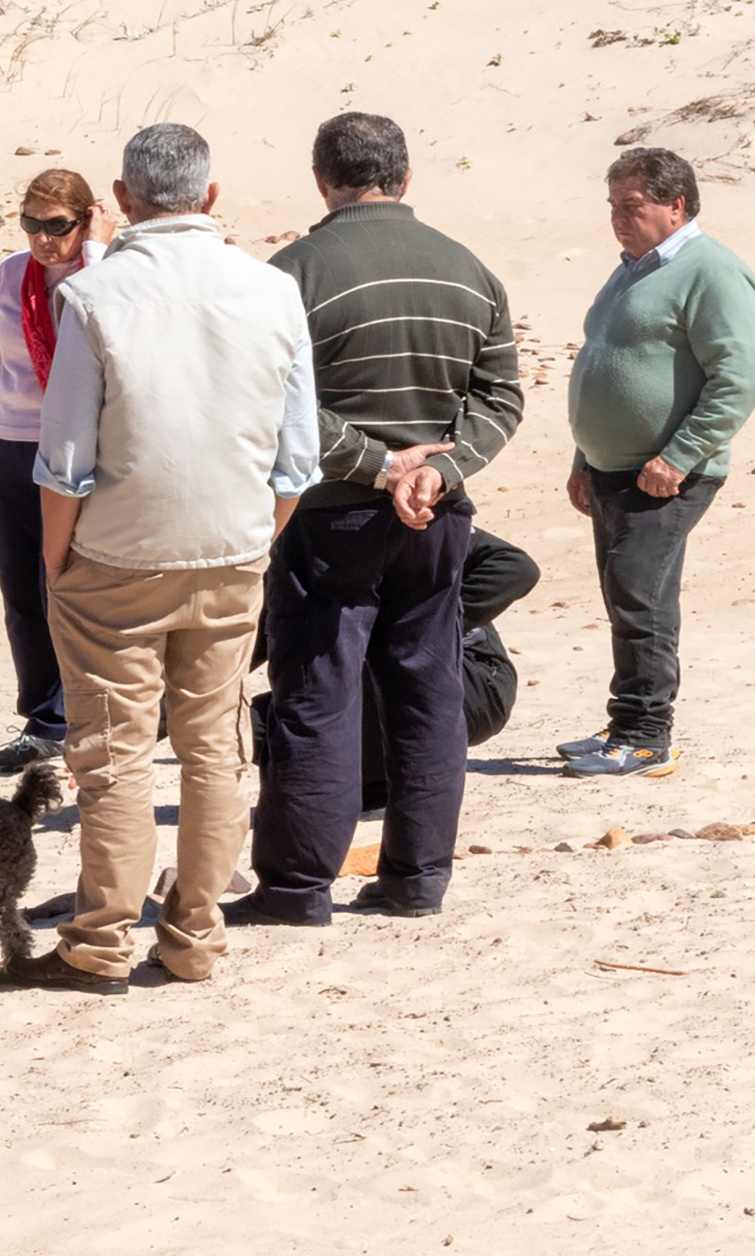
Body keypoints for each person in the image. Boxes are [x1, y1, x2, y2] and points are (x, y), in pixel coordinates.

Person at [0, 124, 318, 995]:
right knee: (215, 748)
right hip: (231, 548)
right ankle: (194, 934)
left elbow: (63, 459)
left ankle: (100, 940)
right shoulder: (271, 289)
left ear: (123, 199)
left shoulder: (94, 295)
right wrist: (257, 537)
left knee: (115, 752)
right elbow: (297, 457)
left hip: (115, 554)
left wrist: (57, 562)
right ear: (209, 196)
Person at [233, 111, 524, 927]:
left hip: (330, 517)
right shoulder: (468, 270)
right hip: (437, 516)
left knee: (316, 694)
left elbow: (273, 401)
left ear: (322, 179)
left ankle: (297, 888)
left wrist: (380, 465)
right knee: (427, 693)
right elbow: (502, 398)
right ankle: (417, 879)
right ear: (405, 177)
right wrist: (437, 470)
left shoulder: (291, 274)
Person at [560, 147, 755, 777]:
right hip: (611, 469)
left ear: (676, 205)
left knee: (639, 598)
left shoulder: (713, 271)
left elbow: (739, 379)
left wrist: (677, 458)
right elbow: (606, 359)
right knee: (626, 595)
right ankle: (627, 722)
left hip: (667, 474)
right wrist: (584, 455)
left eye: (632, 206)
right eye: (612, 206)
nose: (618, 218)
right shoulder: (631, 270)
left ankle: (647, 736)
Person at [0, 170, 115, 773]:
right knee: (23, 589)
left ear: (86, 220)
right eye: (32, 224)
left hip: (80, 446)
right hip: (13, 445)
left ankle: (91, 709)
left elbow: (106, 333)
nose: (44, 239)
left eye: (58, 225)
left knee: (76, 583)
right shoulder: (9, 275)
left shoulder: (107, 271)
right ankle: (45, 718)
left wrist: (96, 252)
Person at [252, 528, 541, 808]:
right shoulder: (287, 548)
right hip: (379, 688)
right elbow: (255, 637)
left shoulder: (397, 516)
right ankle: (375, 782)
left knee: (335, 696)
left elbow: (516, 567)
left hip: (470, 681)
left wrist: (422, 631)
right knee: (248, 726)